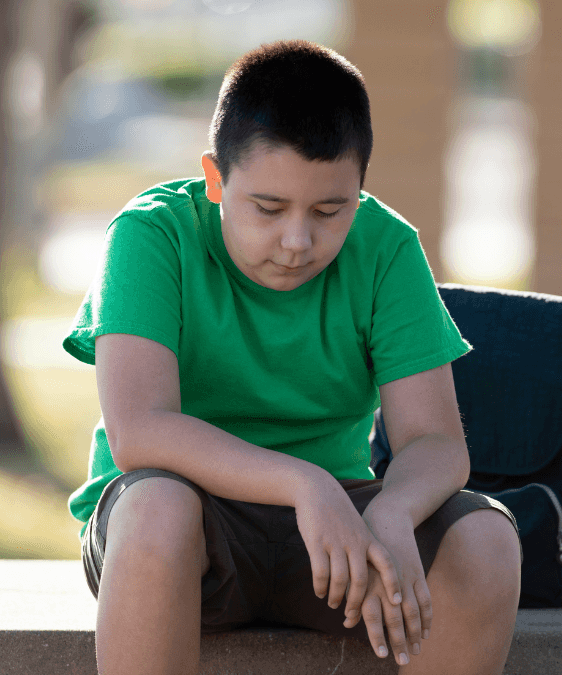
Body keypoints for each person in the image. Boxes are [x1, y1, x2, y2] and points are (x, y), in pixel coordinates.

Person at [63, 40, 521, 674]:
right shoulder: (151, 235)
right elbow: (140, 431)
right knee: (155, 510)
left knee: (486, 540)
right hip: (183, 529)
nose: (298, 241)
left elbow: (437, 442)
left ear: (358, 190)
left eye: (330, 210)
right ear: (215, 178)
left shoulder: (387, 248)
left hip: (336, 535)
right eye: (268, 209)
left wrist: (393, 510)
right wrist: (305, 483)